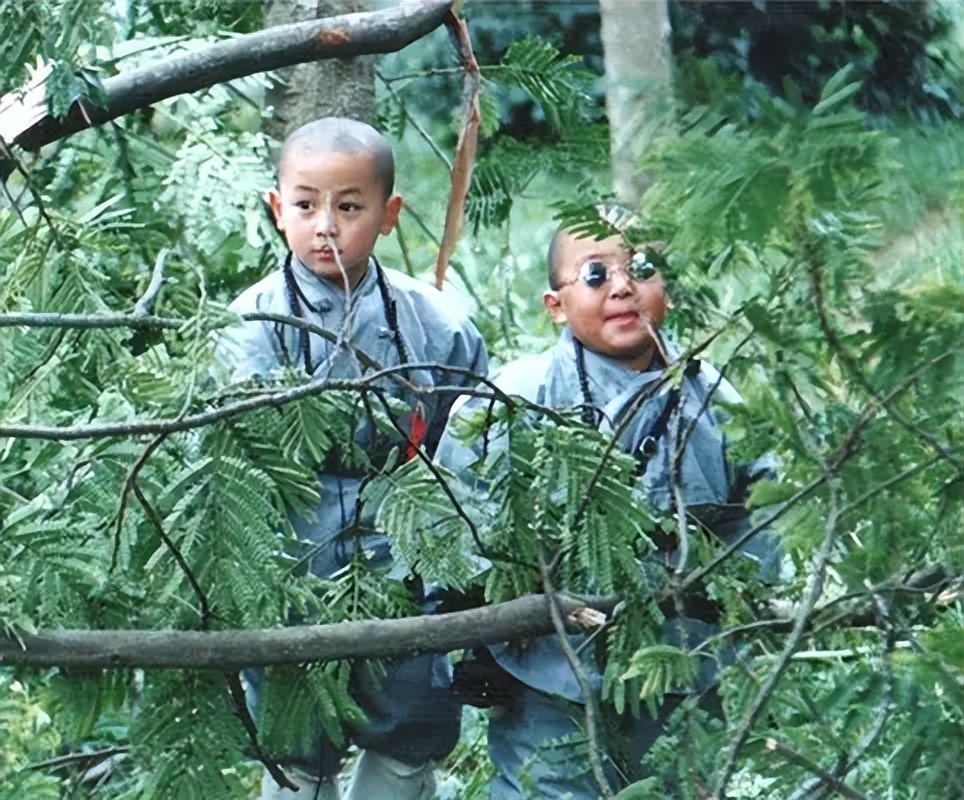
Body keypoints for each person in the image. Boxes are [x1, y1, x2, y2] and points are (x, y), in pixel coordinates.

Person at [434, 206, 780, 799]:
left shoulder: (716, 400)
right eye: (596, 275)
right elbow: (451, 526)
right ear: (555, 305)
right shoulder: (514, 400)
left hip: (681, 664)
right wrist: (472, 636)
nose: (623, 287)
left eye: (642, 268)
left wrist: (753, 610)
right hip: (549, 672)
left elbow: (766, 513)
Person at [216, 117, 489, 800]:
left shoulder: (438, 323)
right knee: (293, 741)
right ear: (277, 210)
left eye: (350, 206)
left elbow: (471, 446)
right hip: (288, 559)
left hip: (405, 553)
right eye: (305, 205)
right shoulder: (248, 325)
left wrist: (455, 562)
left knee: (409, 723)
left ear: (389, 214)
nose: (326, 227)